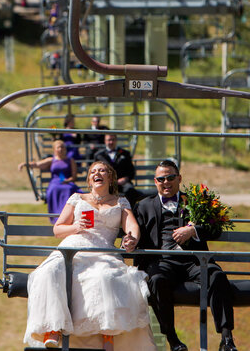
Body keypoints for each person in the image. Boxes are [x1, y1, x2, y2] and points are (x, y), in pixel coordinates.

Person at [23, 161, 157, 350]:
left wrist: (131, 239)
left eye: (102, 170)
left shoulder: (120, 202)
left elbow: (131, 226)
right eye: (93, 171)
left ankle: (108, 333)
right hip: (74, 246)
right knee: (50, 272)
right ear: (89, 179)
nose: (97, 173)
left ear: (110, 177)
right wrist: (76, 227)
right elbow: (58, 229)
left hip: (103, 251)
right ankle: (52, 327)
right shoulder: (77, 198)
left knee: (104, 277)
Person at [134, 160, 238, 351]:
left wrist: (193, 230)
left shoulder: (194, 200)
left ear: (179, 178)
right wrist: (130, 241)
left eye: (171, 177)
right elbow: (134, 234)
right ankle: (173, 340)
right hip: (163, 261)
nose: (166, 182)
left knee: (217, 276)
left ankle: (226, 338)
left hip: (194, 260)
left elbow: (214, 229)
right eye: (161, 178)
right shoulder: (144, 206)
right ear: (155, 181)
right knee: (156, 280)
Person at [19, 140, 81, 223]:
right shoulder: (52, 160)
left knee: (69, 189)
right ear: (54, 149)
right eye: (58, 147)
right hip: (55, 182)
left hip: (67, 182)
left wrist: (68, 180)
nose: (60, 149)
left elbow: (74, 176)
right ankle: (56, 217)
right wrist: (24, 164)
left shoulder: (70, 160)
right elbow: (37, 164)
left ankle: (67, 216)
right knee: (53, 189)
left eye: (62, 147)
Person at [94, 133, 142, 206]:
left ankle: (129, 211)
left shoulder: (125, 153)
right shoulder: (99, 155)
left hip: (122, 183)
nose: (111, 142)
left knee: (131, 191)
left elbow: (131, 170)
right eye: (109, 140)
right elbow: (94, 172)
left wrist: (125, 179)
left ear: (116, 140)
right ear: (105, 141)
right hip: (106, 183)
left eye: (113, 140)